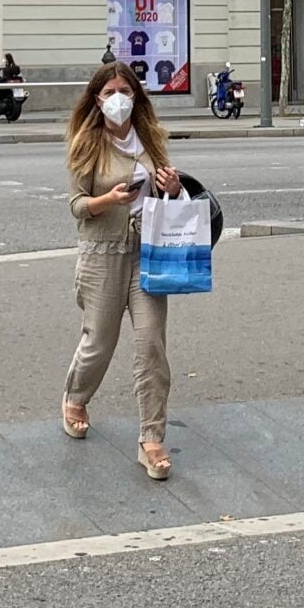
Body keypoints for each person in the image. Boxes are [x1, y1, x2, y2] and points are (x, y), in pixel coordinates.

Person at [59, 64, 179, 481]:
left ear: (136, 96)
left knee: (151, 346)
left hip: (147, 252)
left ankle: (152, 438)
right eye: (110, 90)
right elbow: (76, 205)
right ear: (97, 98)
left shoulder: (149, 137)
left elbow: (169, 191)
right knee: (99, 342)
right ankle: (76, 396)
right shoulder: (86, 143)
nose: (118, 97)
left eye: (125, 89)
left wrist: (172, 185)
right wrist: (107, 199)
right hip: (102, 253)